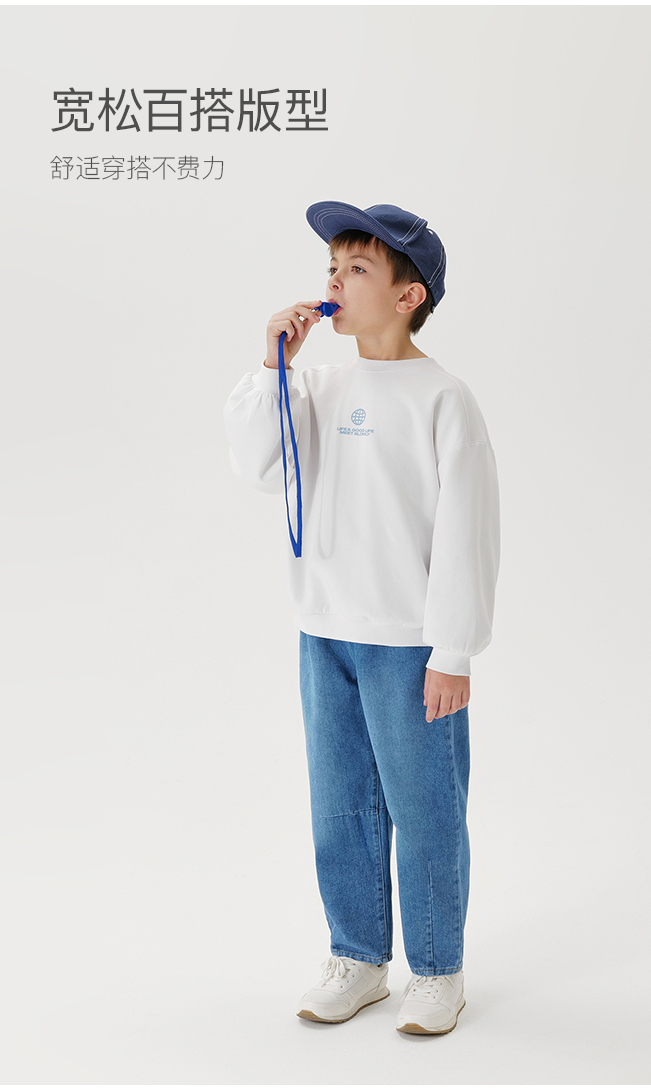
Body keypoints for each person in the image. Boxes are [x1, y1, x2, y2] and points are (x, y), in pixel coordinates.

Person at [223, 202, 501, 1035]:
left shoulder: (444, 399)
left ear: (409, 296)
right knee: (340, 805)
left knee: (425, 808)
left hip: (410, 644)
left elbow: (466, 530)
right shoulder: (314, 385)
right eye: (331, 270)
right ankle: (358, 957)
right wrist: (272, 366)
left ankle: (438, 970)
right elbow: (256, 465)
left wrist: (454, 650)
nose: (334, 283)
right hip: (325, 632)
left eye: (356, 270)